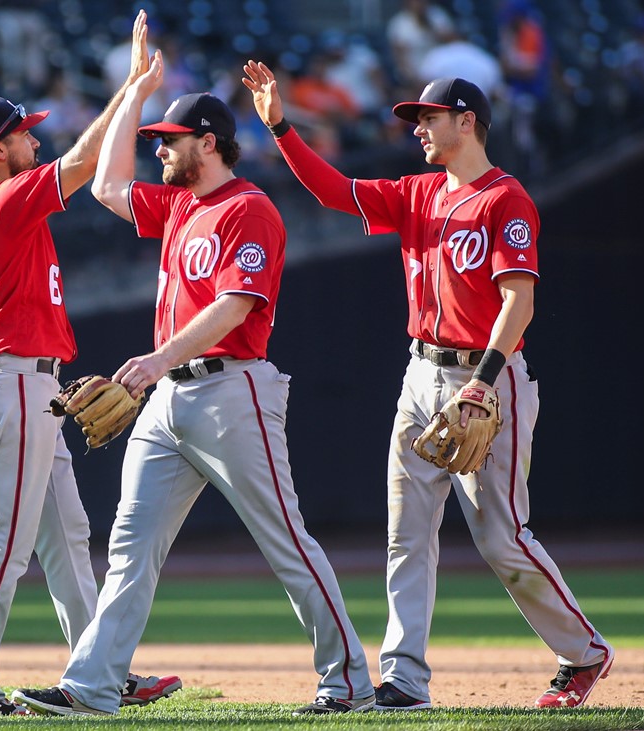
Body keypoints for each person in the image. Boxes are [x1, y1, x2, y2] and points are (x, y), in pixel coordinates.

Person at [11, 44, 375, 718]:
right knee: (129, 549)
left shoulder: (250, 209)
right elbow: (106, 186)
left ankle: (348, 680)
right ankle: (90, 687)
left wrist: (152, 361)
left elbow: (234, 306)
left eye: (169, 141)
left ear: (207, 142)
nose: (159, 151)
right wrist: (135, 93)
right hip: (169, 398)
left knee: (287, 543)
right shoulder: (179, 206)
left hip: (232, 391)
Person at [242, 62, 614, 710]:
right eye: (416, 121)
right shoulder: (418, 194)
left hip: (486, 380)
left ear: (466, 121)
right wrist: (280, 126)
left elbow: (517, 303)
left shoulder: (506, 199)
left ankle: (585, 652)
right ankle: (405, 678)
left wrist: (482, 384)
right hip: (420, 374)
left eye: (428, 119)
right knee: (406, 532)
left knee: (502, 537)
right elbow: (333, 190)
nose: (417, 129)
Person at [0, 11, 179, 716]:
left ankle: (98, 671)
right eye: (25, 132)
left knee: (67, 535)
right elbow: (86, 162)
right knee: (3, 546)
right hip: (12, 383)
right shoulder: (3, 203)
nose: (35, 138)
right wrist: (130, 89)